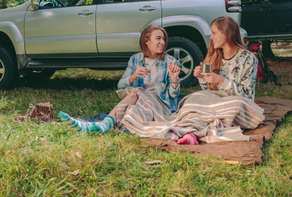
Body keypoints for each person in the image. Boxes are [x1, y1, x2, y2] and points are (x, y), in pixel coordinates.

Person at [117, 16, 264, 144]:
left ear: (227, 33)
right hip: (215, 101)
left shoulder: (248, 59)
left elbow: (248, 96)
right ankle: (191, 134)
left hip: (235, 102)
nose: (211, 37)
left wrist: (220, 80)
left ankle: (192, 130)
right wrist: (203, 78)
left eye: (214, 33)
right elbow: (208, 91)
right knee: (192, 100)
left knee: (234, 104)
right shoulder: (213, 56)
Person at [59, 25, 181, 133]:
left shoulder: (171, 62)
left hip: (160, 106)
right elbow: (121, 86)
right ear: (146, 41)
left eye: (164, 39)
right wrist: (133, 76)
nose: (162, 42)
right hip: (139, 104)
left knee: (136, 93)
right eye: (158, 38)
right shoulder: (136, 60)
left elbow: (173, 95)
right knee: (134, 97)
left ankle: (102, 125)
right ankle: (99, 126)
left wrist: (174, 79)